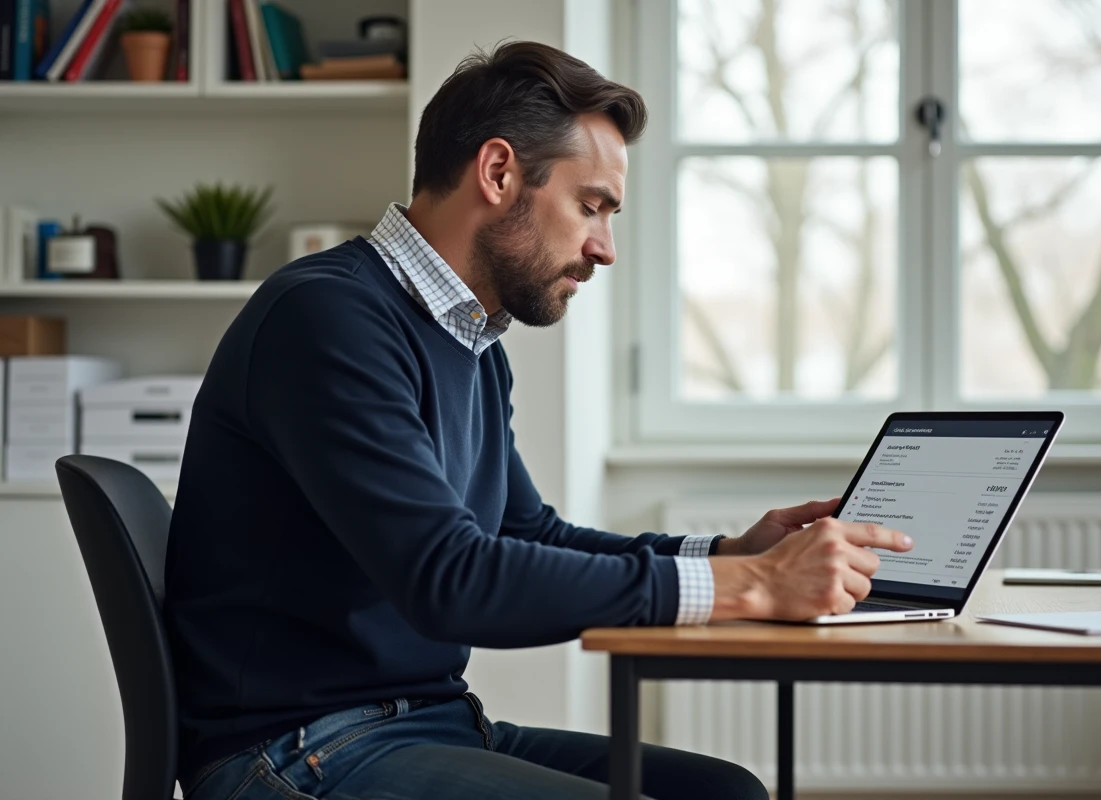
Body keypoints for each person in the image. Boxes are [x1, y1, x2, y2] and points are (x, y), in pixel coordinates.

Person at [164, 40, 914, 800]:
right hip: (298, 747)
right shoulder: (327, 318)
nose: (605, 248)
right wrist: (747, 585)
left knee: (727, 792)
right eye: (590, 206)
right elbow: (449, 578)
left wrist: (726, 550)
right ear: (498, 173)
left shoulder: (471, 342)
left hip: (427, 721)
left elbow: (526, 535)